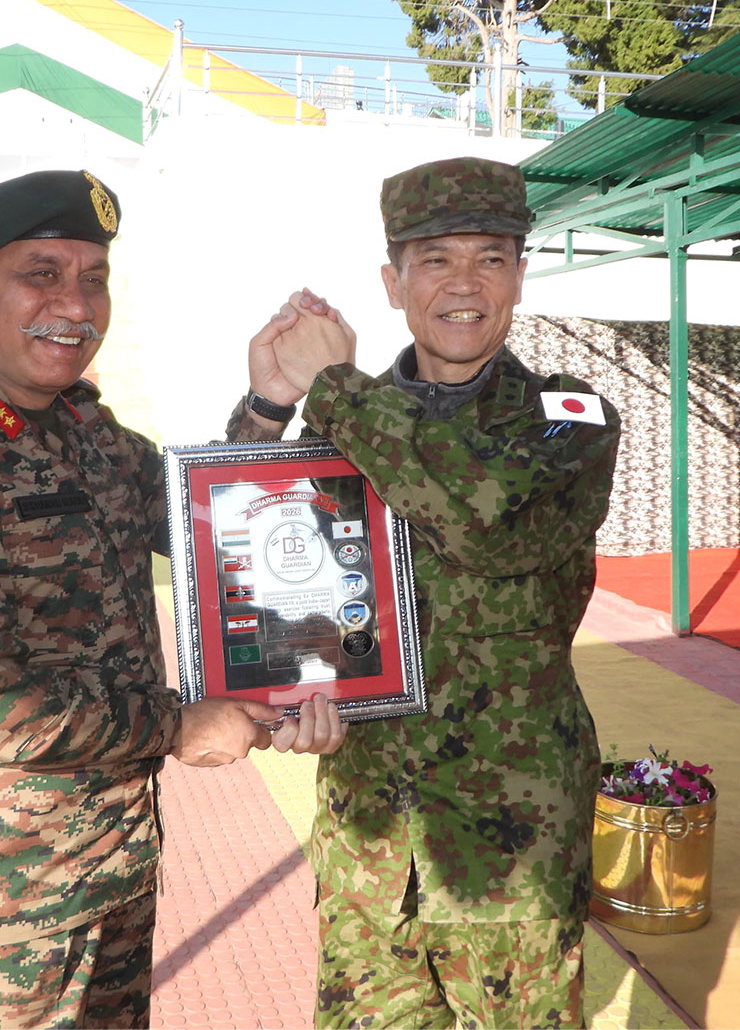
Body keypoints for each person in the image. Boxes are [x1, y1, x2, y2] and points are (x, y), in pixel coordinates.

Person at [0, 169, 344, 1030]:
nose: (75, 304)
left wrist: (270, 402)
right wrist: (179, 724)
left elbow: (201, 525)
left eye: (93, 277)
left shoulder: (80, 425)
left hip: (108, 859)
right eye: (41, 273)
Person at [235, 156, 622, 1029]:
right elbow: (247, 547)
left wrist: (335, 390)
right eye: (436, 258)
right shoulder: (349, 421)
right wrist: (266, 404)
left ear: (520, 278)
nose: (464, 284)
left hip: (509, 850)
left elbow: (480, 518)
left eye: (490, 258)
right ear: (392, 281)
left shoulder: (571, 416)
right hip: (369, 835)